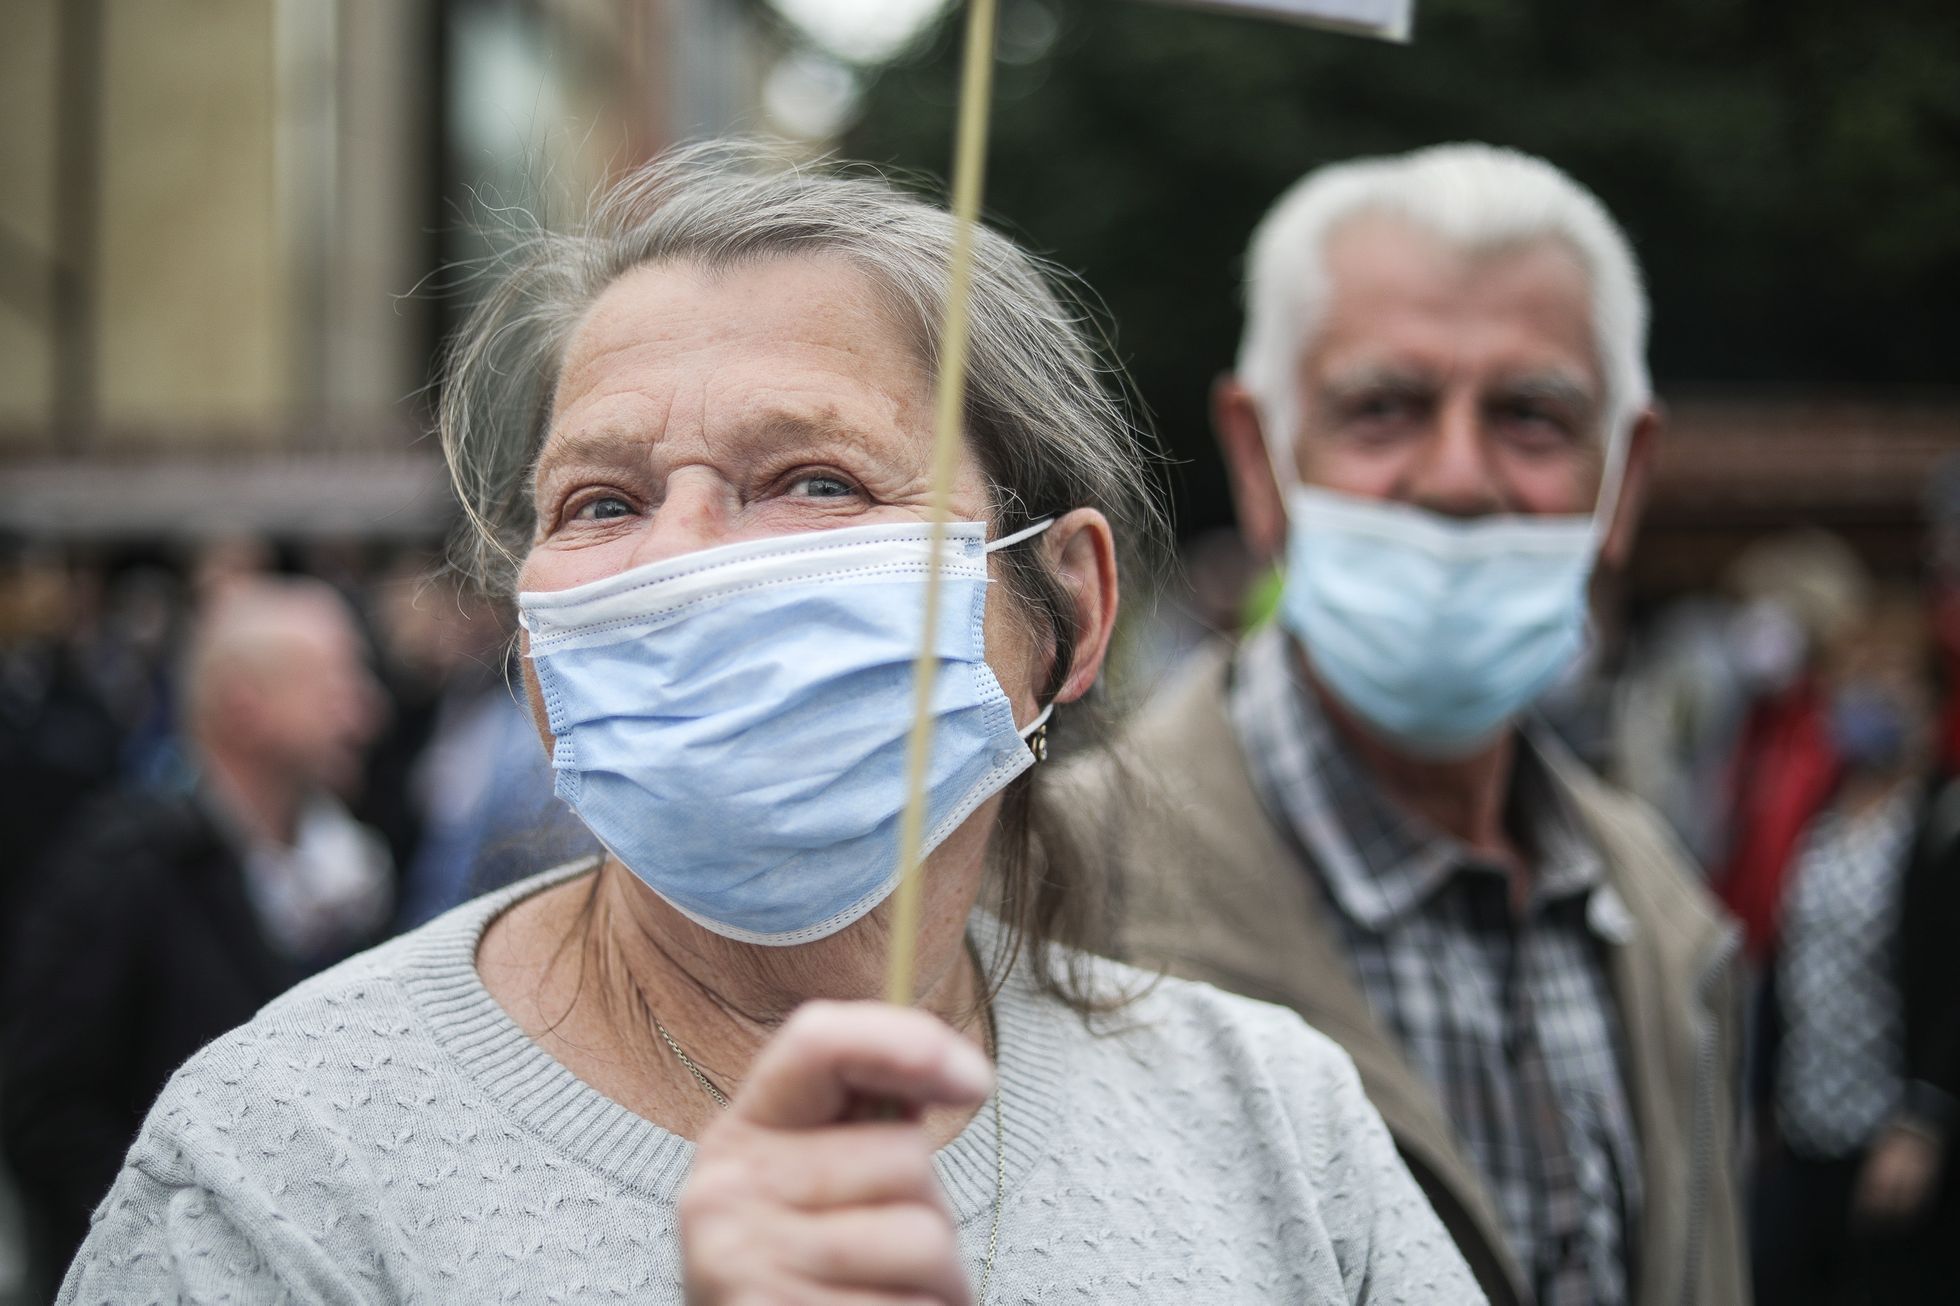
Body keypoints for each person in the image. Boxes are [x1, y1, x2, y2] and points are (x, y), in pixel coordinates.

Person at [59, 144, 1482, 1304]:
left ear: (1070, 610)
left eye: (812, 480)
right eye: (601, 503)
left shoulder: (1278, 1131)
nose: (679, 560)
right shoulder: (279, 1163)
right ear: (535, 654)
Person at [1067, 145, 1747, 1306]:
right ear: (1259, 456)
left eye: (1532, 416)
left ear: (1622, 476)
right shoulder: (1046, 891)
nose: (1457, 475)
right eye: (1383, 409)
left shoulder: (1661, 915)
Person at [4, 577, 392, 1287]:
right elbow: (46, 1109)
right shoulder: (124, 868)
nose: (364, 708)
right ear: (245, 704)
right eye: (335, 680)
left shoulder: (347, 874)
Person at [1750, 592, 1960, 1303]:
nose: (1867, 698)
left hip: (1894, 1135)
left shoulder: (1941, 822)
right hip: (1809, 1124)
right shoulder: (1823, 816)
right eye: (1853, 680)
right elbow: (1790, 956)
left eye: (1891, 679)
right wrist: (1765, 1095)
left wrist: (1925, 1120)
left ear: (1930, 703)